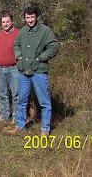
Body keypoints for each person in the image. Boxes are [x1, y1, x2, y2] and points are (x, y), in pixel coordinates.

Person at [9, 7, 59, 136]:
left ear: (36, 17)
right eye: (27, 18)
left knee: (44, 101)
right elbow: (16, 45)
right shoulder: (23, 31)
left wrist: (41, 58)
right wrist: (18, 56)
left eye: (32, 17)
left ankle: (45, 129)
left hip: (39, 72)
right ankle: (20, 125)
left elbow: (53, 47)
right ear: (24, 18)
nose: (30, 20)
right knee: (22, 100)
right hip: (23, 72)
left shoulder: (45, 30)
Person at [0, 12, 19, 123]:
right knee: (2, 94)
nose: (5, 24)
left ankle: (17, 117)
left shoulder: (18, 34)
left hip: (14, 68)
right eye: (3, 22)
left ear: (12, 22)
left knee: (16, 94)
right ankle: (5, 116)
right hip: (0, 68)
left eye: (7, 22)